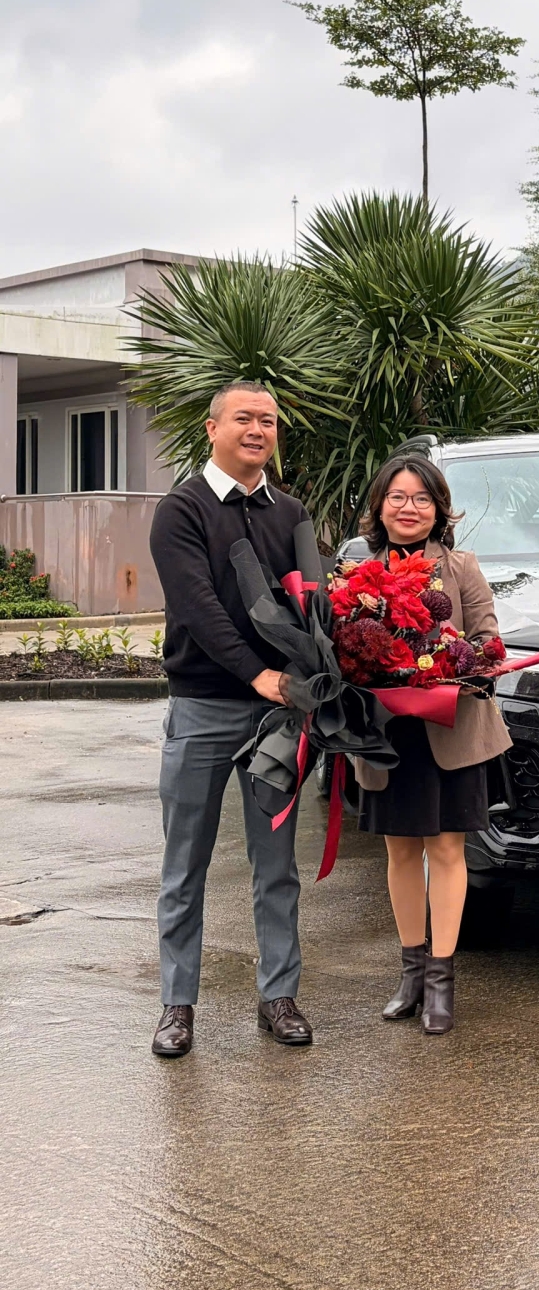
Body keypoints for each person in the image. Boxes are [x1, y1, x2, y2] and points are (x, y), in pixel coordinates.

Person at [147, 380, 316, 1059]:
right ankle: (176, 1004)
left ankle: (279, 995)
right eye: (244, 418)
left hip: (278, 719)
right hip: (203, 708)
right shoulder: (181, 510)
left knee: (276, 865)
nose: (257, 430)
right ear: (213, 428)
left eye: (268, 421)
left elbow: (310, 606)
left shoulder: (291, 513)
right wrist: (258, 674)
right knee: (184, 862)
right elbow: (198, 608)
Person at [353, 453, 512, 1035]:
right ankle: (411, 974)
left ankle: (442, 980)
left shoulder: (462, 566)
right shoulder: (357, 573)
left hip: (450, 730)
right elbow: (340, 647)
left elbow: (489, 642)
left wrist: (454, 663)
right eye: (397, 497)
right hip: (387, 735)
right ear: (380, 507)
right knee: (399, 853)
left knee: (446, 851)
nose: (409, 508)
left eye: (422, 498)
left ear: (439, 509)